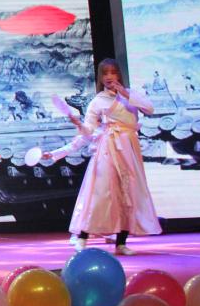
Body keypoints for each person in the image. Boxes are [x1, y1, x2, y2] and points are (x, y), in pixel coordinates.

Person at [43, 58, 161, 255]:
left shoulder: (130, 95)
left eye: (112, 72)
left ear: (119, 74)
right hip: (108, 149)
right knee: (100, 192)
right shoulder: (98, 101)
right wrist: (75, 129)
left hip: (128, 150)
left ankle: (121, 243)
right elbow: (88, 132)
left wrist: (124, 93)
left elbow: (149, 109)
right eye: (105, 73)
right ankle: (83, 236)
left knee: (128, 195)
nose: (109, 77)